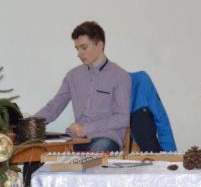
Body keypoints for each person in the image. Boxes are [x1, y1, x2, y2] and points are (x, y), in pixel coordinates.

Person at [33, 21, 131, 152]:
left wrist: (86, 129)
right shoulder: (73, 76)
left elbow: (123, 118)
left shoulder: (120, 76)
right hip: (75, 139)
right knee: (37, 154)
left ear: (100, 45)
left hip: (106, 138)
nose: (79, 53)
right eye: (77, 48)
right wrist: (27, 124)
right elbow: (54, 107)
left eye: (84, 48)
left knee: (92, 156)